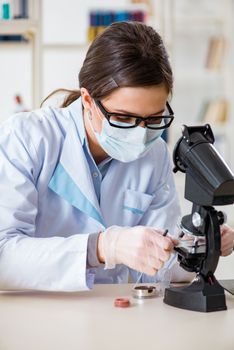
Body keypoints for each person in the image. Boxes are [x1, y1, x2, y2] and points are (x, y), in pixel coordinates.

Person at [0, 22, 233, 292]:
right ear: (87, 100)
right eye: (123, 118)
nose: (140, 133)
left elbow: (160, 270)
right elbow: (4, 255)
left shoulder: (154, 152)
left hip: (112, 315)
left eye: (154, 118)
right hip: (37, 314)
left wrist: (199, 248)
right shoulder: (27, 138)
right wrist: (102, 247)